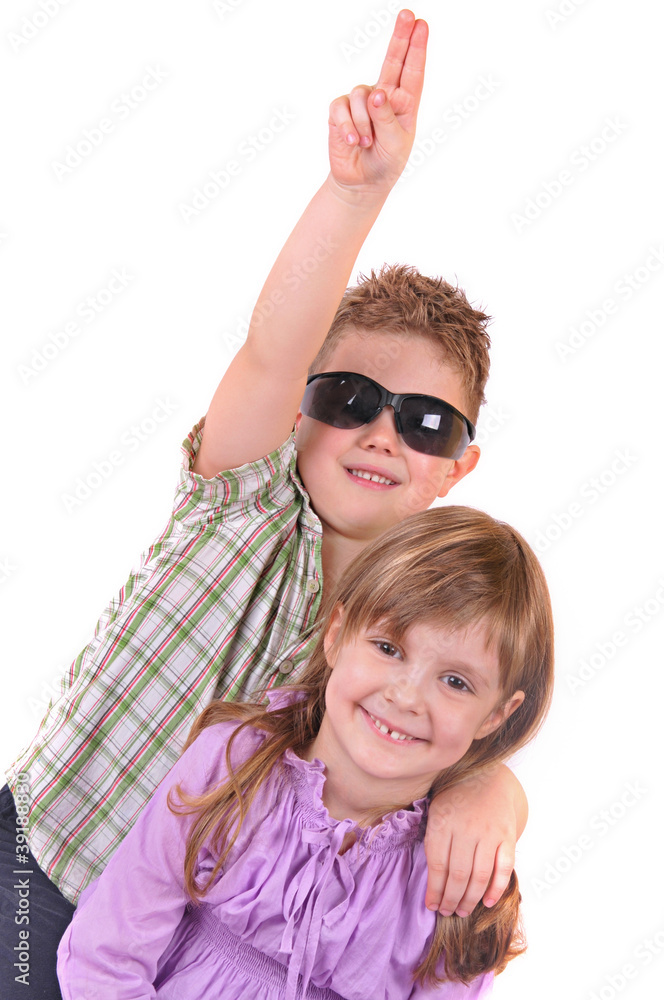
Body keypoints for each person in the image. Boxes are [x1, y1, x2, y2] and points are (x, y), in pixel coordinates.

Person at [2, 10, 527, 996]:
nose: (382, 434)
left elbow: (433, 729)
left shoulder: (408, 631)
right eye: (351, 399)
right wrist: (355, 191)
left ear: (457, 468)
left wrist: (494, 788)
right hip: (45, 867)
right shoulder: (242, 503)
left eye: (424, 423)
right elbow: (271, 348)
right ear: (298, 410)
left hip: (185, 938)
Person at [57, 506, 554, 1000]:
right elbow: (106, 955)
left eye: (455, 682)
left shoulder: (461, 873)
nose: (406, 697)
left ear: (496, 715)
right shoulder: (231, 763)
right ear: (336, 635)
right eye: (388, 648)